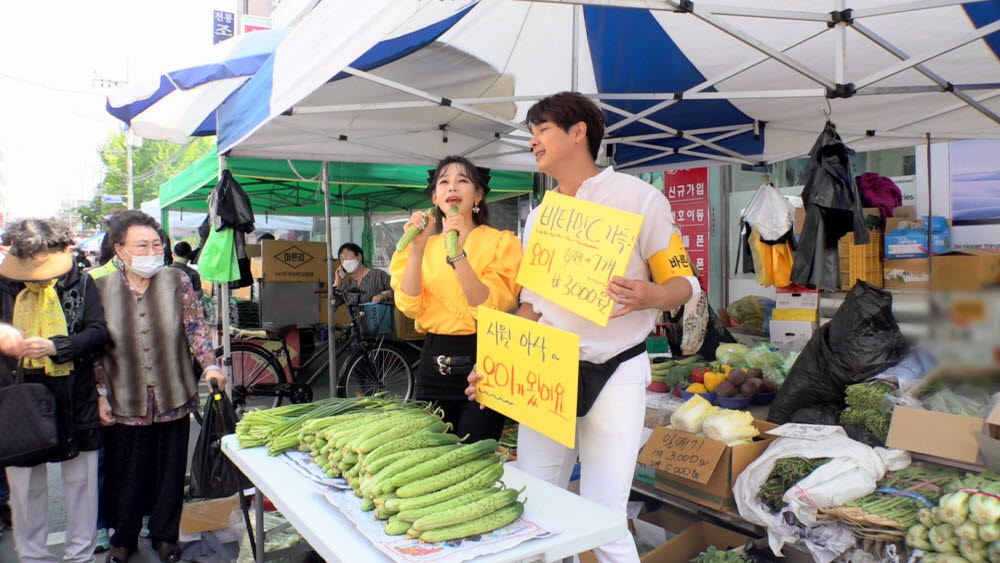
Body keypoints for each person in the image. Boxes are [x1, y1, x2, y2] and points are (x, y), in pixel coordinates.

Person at [466, 92, 700, 563]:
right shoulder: (538, 218)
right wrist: (494, 362)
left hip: (616, 371)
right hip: (545, 372)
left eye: (542, 130)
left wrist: (652, 295)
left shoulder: (640, 199)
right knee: (537, 506)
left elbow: (685, 281)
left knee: (604, 516)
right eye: (531, 133)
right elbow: (532, 306)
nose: (533, 141)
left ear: (579, 132)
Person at [94, 211, 225, 563]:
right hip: (125, 396)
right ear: (120, 250)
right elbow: (96, 348)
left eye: (156, 244)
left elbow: (195, 328)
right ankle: (124, 537)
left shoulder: (176, 281)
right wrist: (100, 394)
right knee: (127, 471)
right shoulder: (101, 288)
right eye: (143, 245)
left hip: (173, 392)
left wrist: (211, 363)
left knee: (169, 472)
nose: (153, 250)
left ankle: (166, 536)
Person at [0, 219, 109, 563]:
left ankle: (81, 553)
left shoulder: (82, 282)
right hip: (18, 396)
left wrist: (55, 346)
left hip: (74, 391)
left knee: (81, 479)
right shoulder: (3, 284)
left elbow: (98, 333)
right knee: (24, 484)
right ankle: (32, 556)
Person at [391, 156, 521, 442]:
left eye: (463, 180)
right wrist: (416, 248)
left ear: (478, 195)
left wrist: (459, 254)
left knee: (474, 459)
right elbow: (410, 305)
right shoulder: (424, 243)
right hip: (431, 364)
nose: (453, 187)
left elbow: (491, 307)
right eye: (444, 181)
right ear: (436, 196)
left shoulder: (500, 242)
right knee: (431, 458)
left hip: (483, 365)